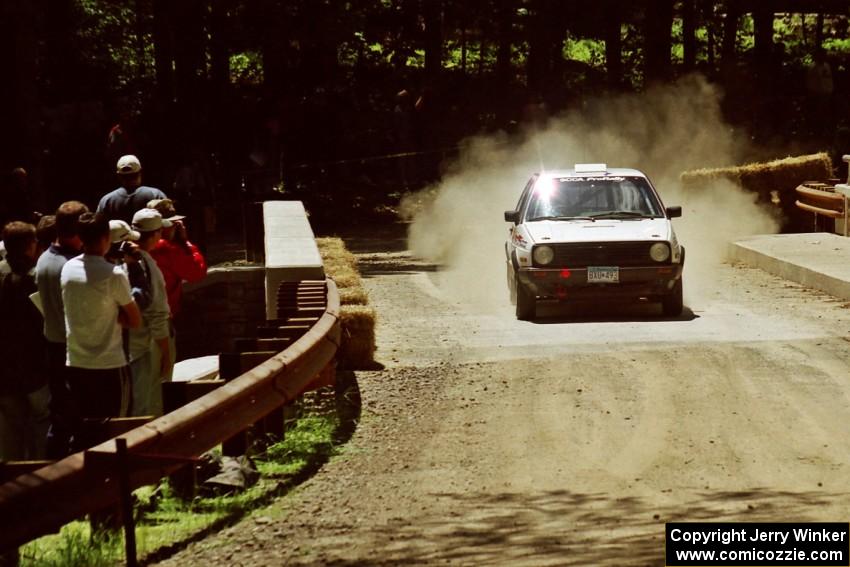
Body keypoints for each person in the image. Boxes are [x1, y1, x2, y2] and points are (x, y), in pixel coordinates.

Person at [60, 212, 141, 448]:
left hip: (76, 363)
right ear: (106, 237)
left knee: (85, 430)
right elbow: (135, 320)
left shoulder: (67, 269)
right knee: (118, 428)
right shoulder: (113, 274)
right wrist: (116, 317)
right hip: (110, 364)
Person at [34, 200, 88, 458]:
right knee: (73, 415)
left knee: (60, 413)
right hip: (71, 349)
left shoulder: (45, 257)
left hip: (53, 344)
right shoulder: (72, 265)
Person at [0, 221, 50, 461]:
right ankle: (38, 472)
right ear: (32, 245)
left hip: (4, 368)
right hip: (35, 366)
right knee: (40, 421)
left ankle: (11, 483)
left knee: (10, 426)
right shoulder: (37, 277)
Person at [147, 198, 207, 379]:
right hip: (160, 321)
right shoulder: (167, 249)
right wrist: (186, 243)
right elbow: (196, 272)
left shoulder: (137, 245)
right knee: (162, 378)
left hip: (137, 322)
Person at [128, 208, 172, 416]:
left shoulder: (125, 258)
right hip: (147, 343)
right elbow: (157, 312)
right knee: (149, 402)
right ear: (155, 234)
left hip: (129, 344)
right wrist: (165, 349)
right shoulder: (146, 264)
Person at [96, 155, 167, 224]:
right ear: (140, 172)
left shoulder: (106, 200)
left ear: (119, 176)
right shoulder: (155, 194)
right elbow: (169, 222)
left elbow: (98, 227)